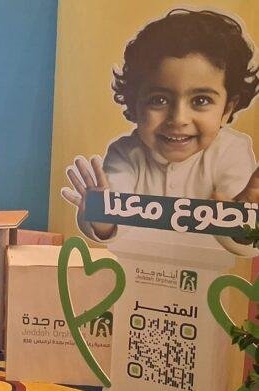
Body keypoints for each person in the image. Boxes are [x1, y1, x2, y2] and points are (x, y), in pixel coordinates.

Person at [61, 9, 259, 255]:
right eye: (159, 100)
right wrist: (102, 212)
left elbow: (243, 243)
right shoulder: (126, 154)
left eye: (201, 100)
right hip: (138, 271)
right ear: (135, 104)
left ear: (227, 109)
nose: (179, 119)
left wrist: (241, 217)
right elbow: (111, 219)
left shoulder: (231, 151)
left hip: (208, 274)